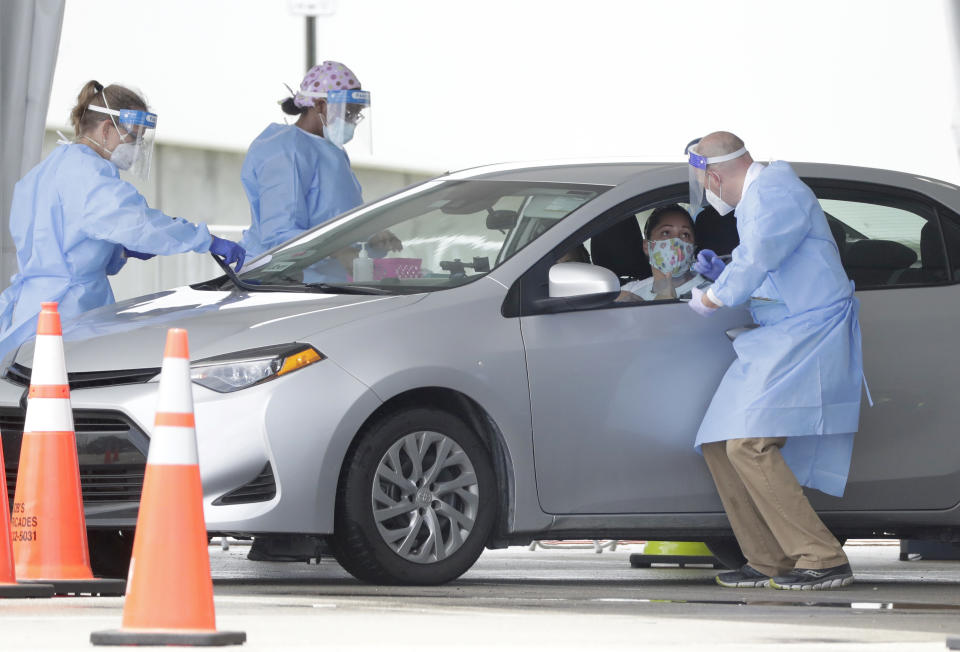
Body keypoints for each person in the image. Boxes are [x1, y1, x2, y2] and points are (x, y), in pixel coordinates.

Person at [685, 131, 865, 590]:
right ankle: (768, 558)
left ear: (717, 174)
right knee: (718, 441)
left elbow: (762, 256)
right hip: (780, 334)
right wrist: (725, 272)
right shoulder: (760, 199)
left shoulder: (777, 189)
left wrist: (713, 294)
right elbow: (772, 265)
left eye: (705, 182)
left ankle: (822, 558)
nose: (706, 191)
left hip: (807, 332)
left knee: (748, 444)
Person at [0, 80, 244, 359]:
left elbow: (67, 237)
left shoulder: (49, 168)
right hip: (69, 312)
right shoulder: (89, 175)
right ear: (106, 129)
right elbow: (141, 224)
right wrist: (206, 240)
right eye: (133, 138)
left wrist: (118, 250)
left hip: (31, 308)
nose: (137, 148)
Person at [240, 61, 370, 259]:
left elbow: (338, 216)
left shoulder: (333, 151)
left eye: (356, 113)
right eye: (347, 111)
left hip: (329, 277)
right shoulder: (284, 149)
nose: (351, 119)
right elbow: (281, 235)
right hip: (287, 280)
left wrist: (370, 238)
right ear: (319, 105)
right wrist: (335, 252)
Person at [618, 205, 708, 301]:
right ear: (646, 246)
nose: (676, 241)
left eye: (685, 234)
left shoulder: (711, 293)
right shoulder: (630, 291)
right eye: (666, 233)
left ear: (693, 248)